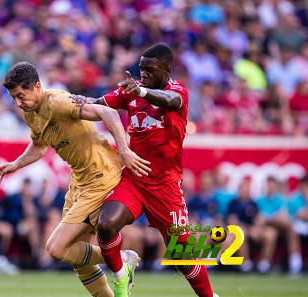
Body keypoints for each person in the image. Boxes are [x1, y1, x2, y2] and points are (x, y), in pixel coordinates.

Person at [71, 44, 218, 297]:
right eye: (141, 69)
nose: (144, 74)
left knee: (181, 253)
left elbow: (171, 101)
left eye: (150, 70)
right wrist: (78, 104)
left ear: (167, 70)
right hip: (134, 178)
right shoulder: (133, 90)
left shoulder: (177, 90)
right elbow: (101, 106)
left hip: (165, 185)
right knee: (106, 225)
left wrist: (141, 90)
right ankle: (121, 274)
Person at [0, 62, 149, 297]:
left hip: (101, 177)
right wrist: (16, 163)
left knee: (57, 248)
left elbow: (108, 112)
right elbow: (39, 146)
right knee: (80, 258)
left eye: (20, 96)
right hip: (80, 182)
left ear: (37, 87)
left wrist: (124, 150)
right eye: (14, 97)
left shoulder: (59, 103)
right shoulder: (29, 113)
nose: (17, 103)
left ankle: (124, 258)